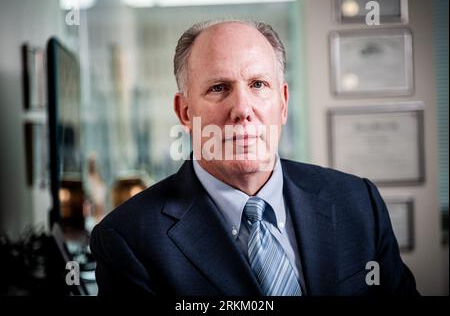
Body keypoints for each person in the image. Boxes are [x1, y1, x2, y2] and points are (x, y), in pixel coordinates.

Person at [90, 20, 419, 296]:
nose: (242, 110)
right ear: (185, 112)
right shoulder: (128, 240)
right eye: (219, 88)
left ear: (284, 103)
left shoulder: (358, 204)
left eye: (258, 84)